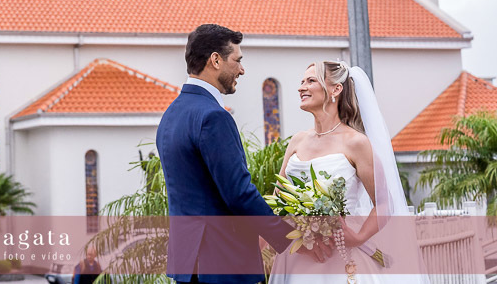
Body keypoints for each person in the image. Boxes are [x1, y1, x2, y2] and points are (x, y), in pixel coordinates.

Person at [156, 24, 296, 284]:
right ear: (216, 60)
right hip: (221, 264)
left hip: (188, 264)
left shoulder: (171, 115)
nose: (242, 69)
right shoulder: (213, 117)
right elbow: (238, 192)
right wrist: (286, 237)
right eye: (237, 60)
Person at [269, 61, 426, 284]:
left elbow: (383, 203)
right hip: (296, 253)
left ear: (336, 89)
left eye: (311, 81)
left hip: (341, 255)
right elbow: (277, 198)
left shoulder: (356, 143)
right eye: (301, 81)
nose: (301, 87)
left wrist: (359, 236)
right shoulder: (298, 140)